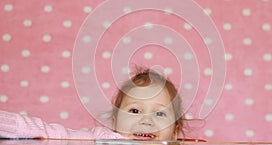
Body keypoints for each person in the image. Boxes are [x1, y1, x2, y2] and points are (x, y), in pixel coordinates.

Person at [0, 67, 184, 140]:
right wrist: (7, 123)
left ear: (175, 133)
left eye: (160, 113)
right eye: (135, 110)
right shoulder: (99, 140)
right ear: (114, 122)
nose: (146, 120)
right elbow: (49, 134)